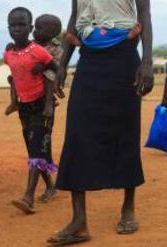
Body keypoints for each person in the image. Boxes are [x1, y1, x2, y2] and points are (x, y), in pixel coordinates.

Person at [48, 0, 154, 245]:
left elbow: (145, 14)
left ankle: (128, 207)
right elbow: (75, 17)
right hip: (88, 58)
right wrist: (63, 63)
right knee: (77, 133)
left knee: (126, 129)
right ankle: (79, 221)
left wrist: (147, 61)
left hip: (123, 56)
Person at [4, 7, 59, 214]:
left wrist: (48, 104)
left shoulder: (38, 50)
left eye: (22, 25)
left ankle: (28, 197)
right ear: (8, 28)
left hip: (43, 107)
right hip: (25, 107)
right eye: (13, 25)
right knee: (35, 150)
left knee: (36, 149)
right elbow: (16, 75)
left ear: (30, 27)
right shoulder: (8, 53)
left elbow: (55, 68)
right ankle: (51, 186)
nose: (17, 29)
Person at [5, 14, 63, 117]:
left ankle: (49, 103)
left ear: (51, 33)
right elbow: (20, 49)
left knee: (48, 75)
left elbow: (57, 65)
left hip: (47, 74)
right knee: (14, 77)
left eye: (39, 28)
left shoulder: (56, 48)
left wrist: (44, 66)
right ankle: (14, 102)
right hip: (30, 75)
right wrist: (12, 46)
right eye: (35, 27)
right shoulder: (30, 44)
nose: (35, 31)